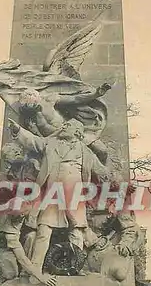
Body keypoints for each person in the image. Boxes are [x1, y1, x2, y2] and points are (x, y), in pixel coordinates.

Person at [8, 117, 108, 273]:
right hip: (52, 194)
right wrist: (18, 131)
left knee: (76, 232)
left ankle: (74, 267)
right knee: (44, 229)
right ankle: (35, 268)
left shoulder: (85, 151)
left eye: (67, 124)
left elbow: (101, 171)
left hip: (74, 195)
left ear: (76, 131)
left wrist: (117, 183)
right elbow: (33, 141)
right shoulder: (51, 144)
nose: (63, 126)